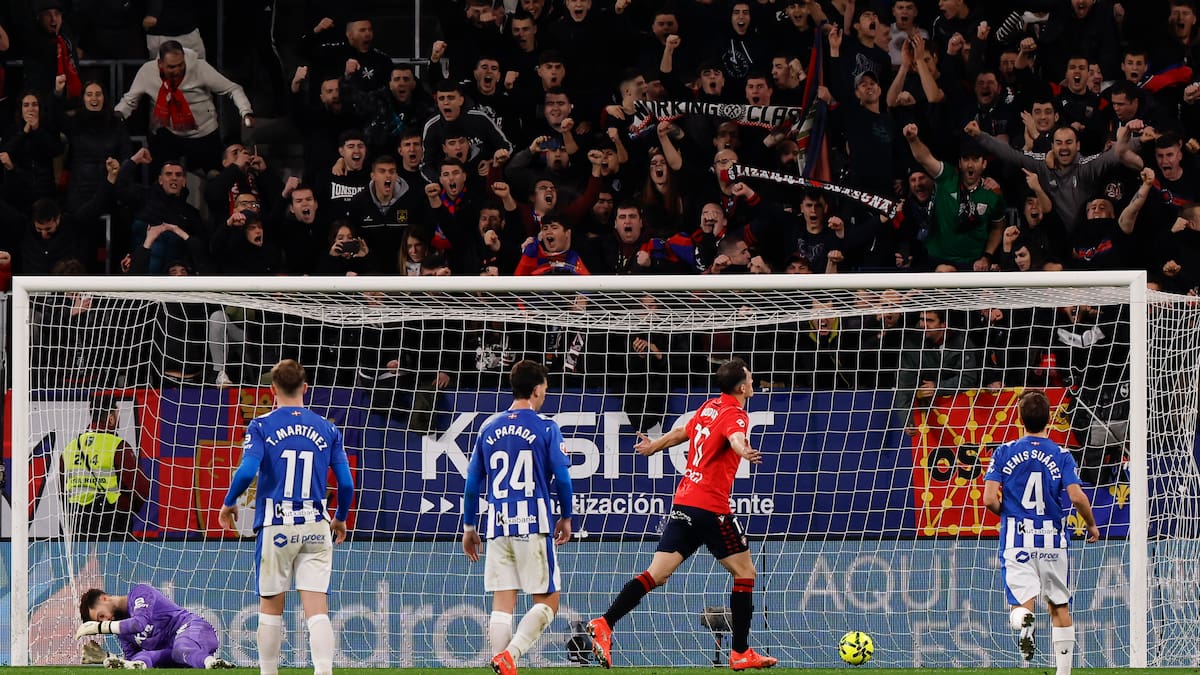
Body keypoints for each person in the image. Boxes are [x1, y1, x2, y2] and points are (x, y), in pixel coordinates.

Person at [586, 358, 778, 672]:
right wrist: (744, 451)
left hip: (685, 502)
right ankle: (741, 652)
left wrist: (654, 446)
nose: (754, 382)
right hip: (711, 508)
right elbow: (736, 438)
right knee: (746, 574)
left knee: (656, 575)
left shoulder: (708, 407)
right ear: (742, 387)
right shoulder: (736, 413)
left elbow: (680, 432)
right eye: (751, 379)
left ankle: (605, 623)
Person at [217, 360, 355, 675]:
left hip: (277, 524)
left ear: (272, 389)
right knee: (317, 609)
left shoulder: (261, 426)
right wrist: (341, 518)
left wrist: (229, 502)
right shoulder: (328, 428)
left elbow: (247, 471)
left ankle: (269, 673)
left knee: (270, 607)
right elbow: (345, 483)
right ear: (305, 388)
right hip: (317, 525)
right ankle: (323, 671)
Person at [461, 359, 574, 675]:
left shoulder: (488, 427)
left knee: (502, 603)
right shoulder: (546, 427)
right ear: (537, 390)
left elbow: (472, 484)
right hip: (533, 524)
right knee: (548, 602)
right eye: (546, 389)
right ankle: (508, 657)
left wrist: (470, 526)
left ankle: (501, 664)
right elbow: (563, 480)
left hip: (497, 525)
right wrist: (566, 516)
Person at [982, 390, 1100, 673]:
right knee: (1059, 606)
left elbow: (988, 499)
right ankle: (1064, 672)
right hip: (1052, 539)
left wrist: (1008, 514)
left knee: (1020, 607)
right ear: (1049, 419)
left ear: (1020, 418)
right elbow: (1076, 497)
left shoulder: (1004, 451)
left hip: (1016, 538)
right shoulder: (1061, 455)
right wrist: (1091, 524)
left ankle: (1025, 623)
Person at [115, 40, 254, 174]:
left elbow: (233, 89)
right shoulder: (148, 72)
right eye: (171, 67)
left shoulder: (199, 67)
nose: (177, 71)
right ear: (160, 64)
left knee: (214, 178)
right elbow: (129, 101)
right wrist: (118, 115)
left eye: (180, 65)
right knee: (157, 174)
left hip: (204, 134)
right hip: (170, 133)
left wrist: (246, 112)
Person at [75, 584, 236, 669]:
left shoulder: (139, 593)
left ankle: (213, 664)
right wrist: (107, 656)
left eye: (101, 616)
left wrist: (101, 628)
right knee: (142, 659)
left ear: (104, 599)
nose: (105, 621)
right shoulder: (122, 631)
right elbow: (131, 658)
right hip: (174, 653)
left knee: (182, 648)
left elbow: (139, 623)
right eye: (101, 621)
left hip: (194, 629)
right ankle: (210, 664)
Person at [60, 393, 150, 538]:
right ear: (111, 418)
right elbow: (140, 488)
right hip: (111, 523)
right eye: (117, 413)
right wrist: (125, 508)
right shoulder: (117, 446)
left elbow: (62, 491)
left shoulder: (70, 448)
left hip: (77, 524)